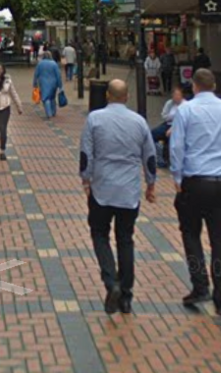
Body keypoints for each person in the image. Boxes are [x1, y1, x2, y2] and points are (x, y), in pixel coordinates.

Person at [171, 68, 221, 317]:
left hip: (195, 181)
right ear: (213, 85)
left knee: (191, 235)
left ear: (194, 86)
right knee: (220, 240)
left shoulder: (186, 110)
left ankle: (200, 284)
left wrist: (177, 177)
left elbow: (178, 146)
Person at [80, 78, 156, 315]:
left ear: (107, 96)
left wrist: (86, 178)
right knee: (126, 239)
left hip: (102, 187)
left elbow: (86, 152)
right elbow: (150, 156)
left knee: (100, 234)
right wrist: (151, 183)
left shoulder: (95, 119)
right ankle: (126, 295)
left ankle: (110, 280)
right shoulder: (139, 122)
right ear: (126, 97)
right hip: (129, 191)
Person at [152, 83, 191, 168]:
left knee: (172, 138)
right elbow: (164, 115)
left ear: (181, 95)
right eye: (174, 95)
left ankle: (171, 161)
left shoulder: (185, 105)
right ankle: (157, 156)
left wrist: (173, 127)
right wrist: (171, 117)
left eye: (177, 95)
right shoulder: (169, 103)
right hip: (168, 123)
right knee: (153, 133)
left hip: (178, 126)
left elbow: (182, 119)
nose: (175, 97)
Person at [34, 50, 63, 119]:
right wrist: (60, 85)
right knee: (52, 97)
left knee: (45, 98)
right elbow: (58, 75)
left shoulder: (40, 64)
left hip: (43, 83)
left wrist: (35, 84)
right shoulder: (54, 64)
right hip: (54, 83)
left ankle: (49, 113)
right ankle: (53, 111)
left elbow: (36, 74)